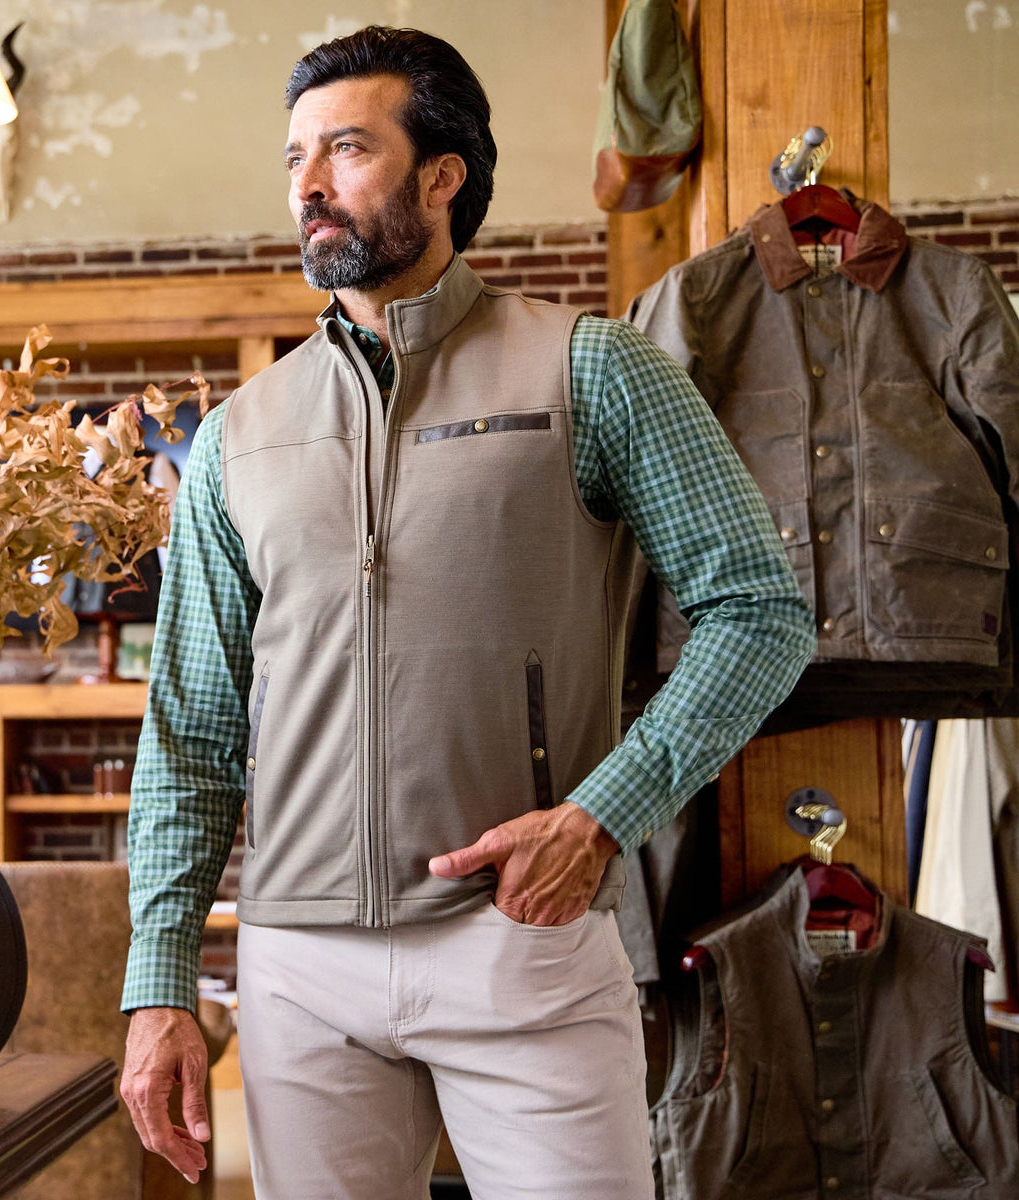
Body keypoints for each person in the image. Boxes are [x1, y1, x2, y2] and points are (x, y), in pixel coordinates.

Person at [120, 25, 816, 1200]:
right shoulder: (241, 434)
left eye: (346, 149)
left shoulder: (591, 369)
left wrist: (600, 817)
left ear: (443, 175)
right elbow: (190, 728)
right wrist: (158, 984)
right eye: (295, 157)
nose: (308, 185)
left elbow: (761, 611)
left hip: (522, 943)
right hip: (298, 971)